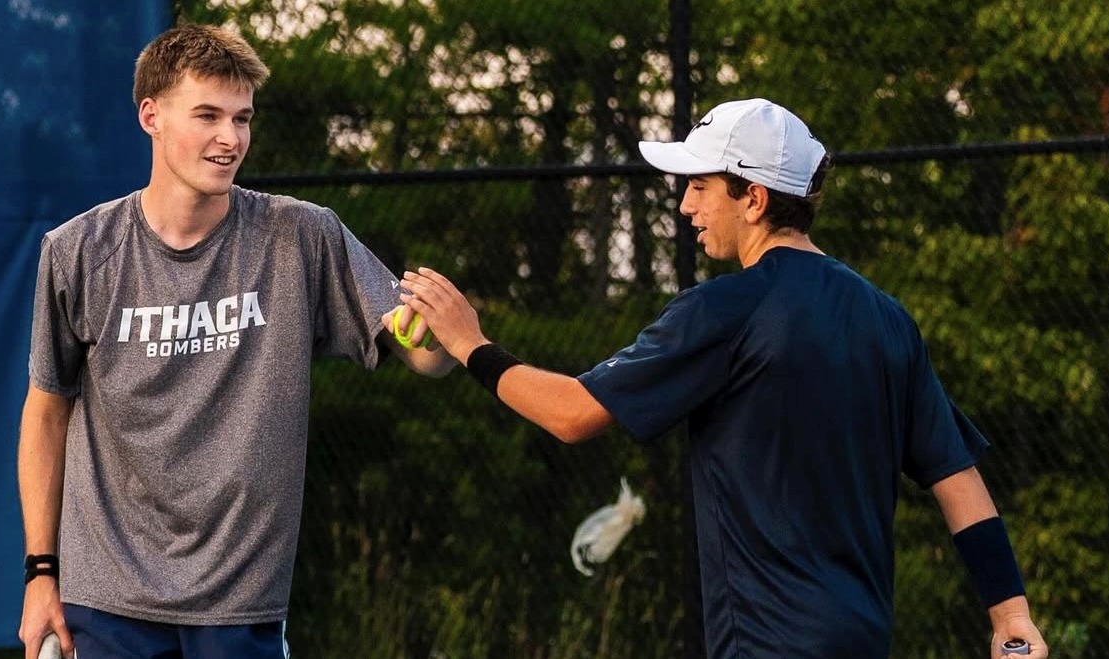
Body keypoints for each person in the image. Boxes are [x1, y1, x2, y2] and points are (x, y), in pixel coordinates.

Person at [393, 99, 1048, 658]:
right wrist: (1010, 616)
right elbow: (957, 479)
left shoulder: (724, 310)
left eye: (701, 186)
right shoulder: (887, 319)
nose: (685, 205)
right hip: (862, 640)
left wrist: (471, 343)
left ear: (755, 198)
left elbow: (572, 413)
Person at [16, 23, 454, 659]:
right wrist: (40, 575)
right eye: (208, 115)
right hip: (105, 599)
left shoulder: (301, 235)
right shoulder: (77, 252)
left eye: (242, 118)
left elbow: (423, 353)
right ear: (151, 116)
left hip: (240, 602)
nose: (231, 139)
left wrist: (437, 340)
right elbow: (46, 412)